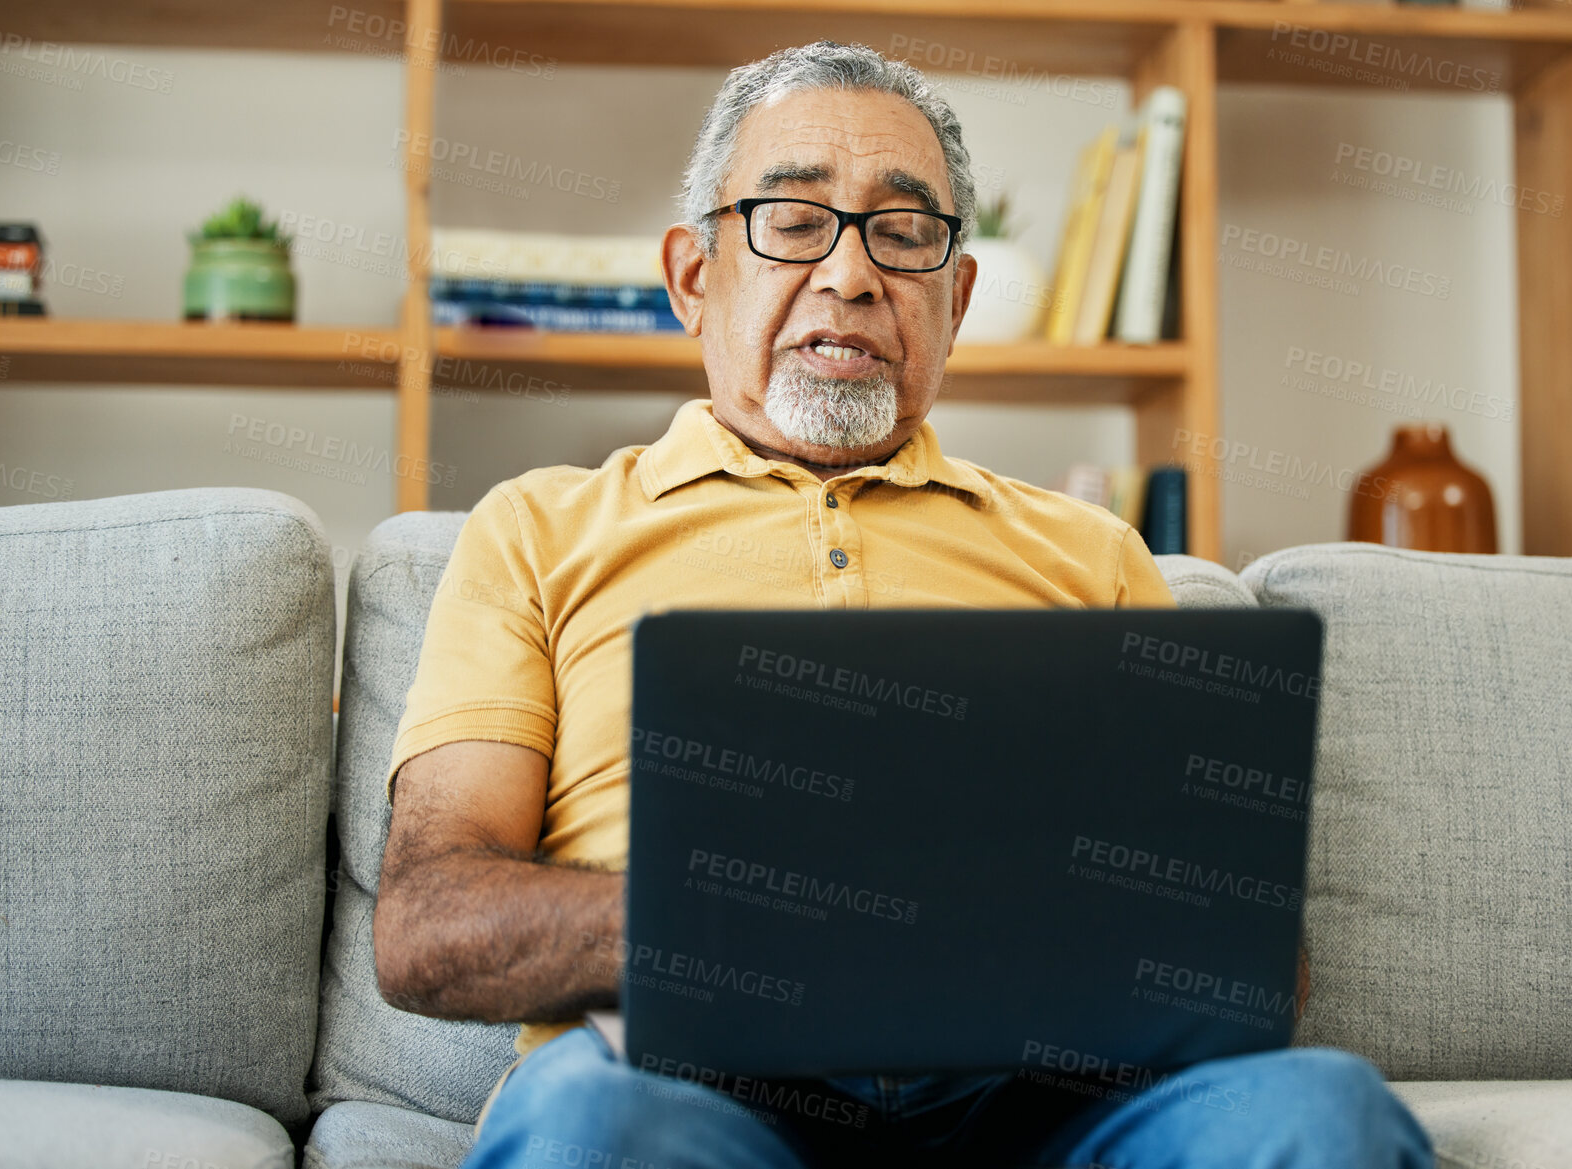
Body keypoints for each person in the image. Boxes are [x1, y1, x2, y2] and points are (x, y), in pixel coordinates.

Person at [372, 39, 1434, 1169]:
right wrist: (740, 921)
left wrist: (1027, 927)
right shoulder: (536, 531)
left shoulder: (1093, 552)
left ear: (956, 294)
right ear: (692, 275)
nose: (850, 273)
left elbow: (1254, 955)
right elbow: (426, 924)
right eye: (792, 218)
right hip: (686, 1076)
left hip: (1044, 1093)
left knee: (1324, 1112)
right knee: (593, 1125)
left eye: (904, 229)